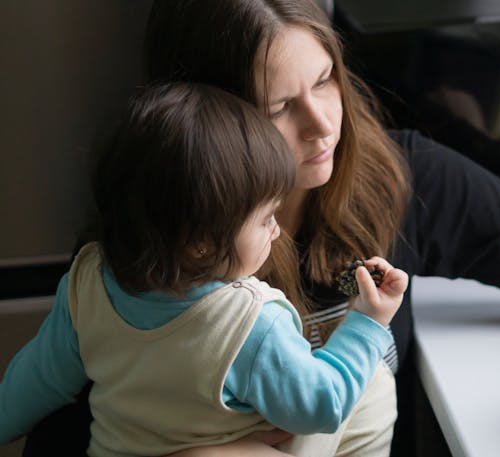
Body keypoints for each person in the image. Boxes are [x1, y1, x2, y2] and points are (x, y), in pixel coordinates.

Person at [22, 0, 500, 455]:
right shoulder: (151, 247)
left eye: (326, 79)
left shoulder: (403, 175)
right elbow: (51, 428)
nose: (322, 124)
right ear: (209, 125)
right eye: (280, 107)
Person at [0, 82, 408, 456]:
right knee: (372, 385)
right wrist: (367, 322)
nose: (277, 229)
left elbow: (38, 379)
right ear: (201, 243)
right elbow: (323, 405)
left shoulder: (87, 283)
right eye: (266, 218)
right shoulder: (249, 324)